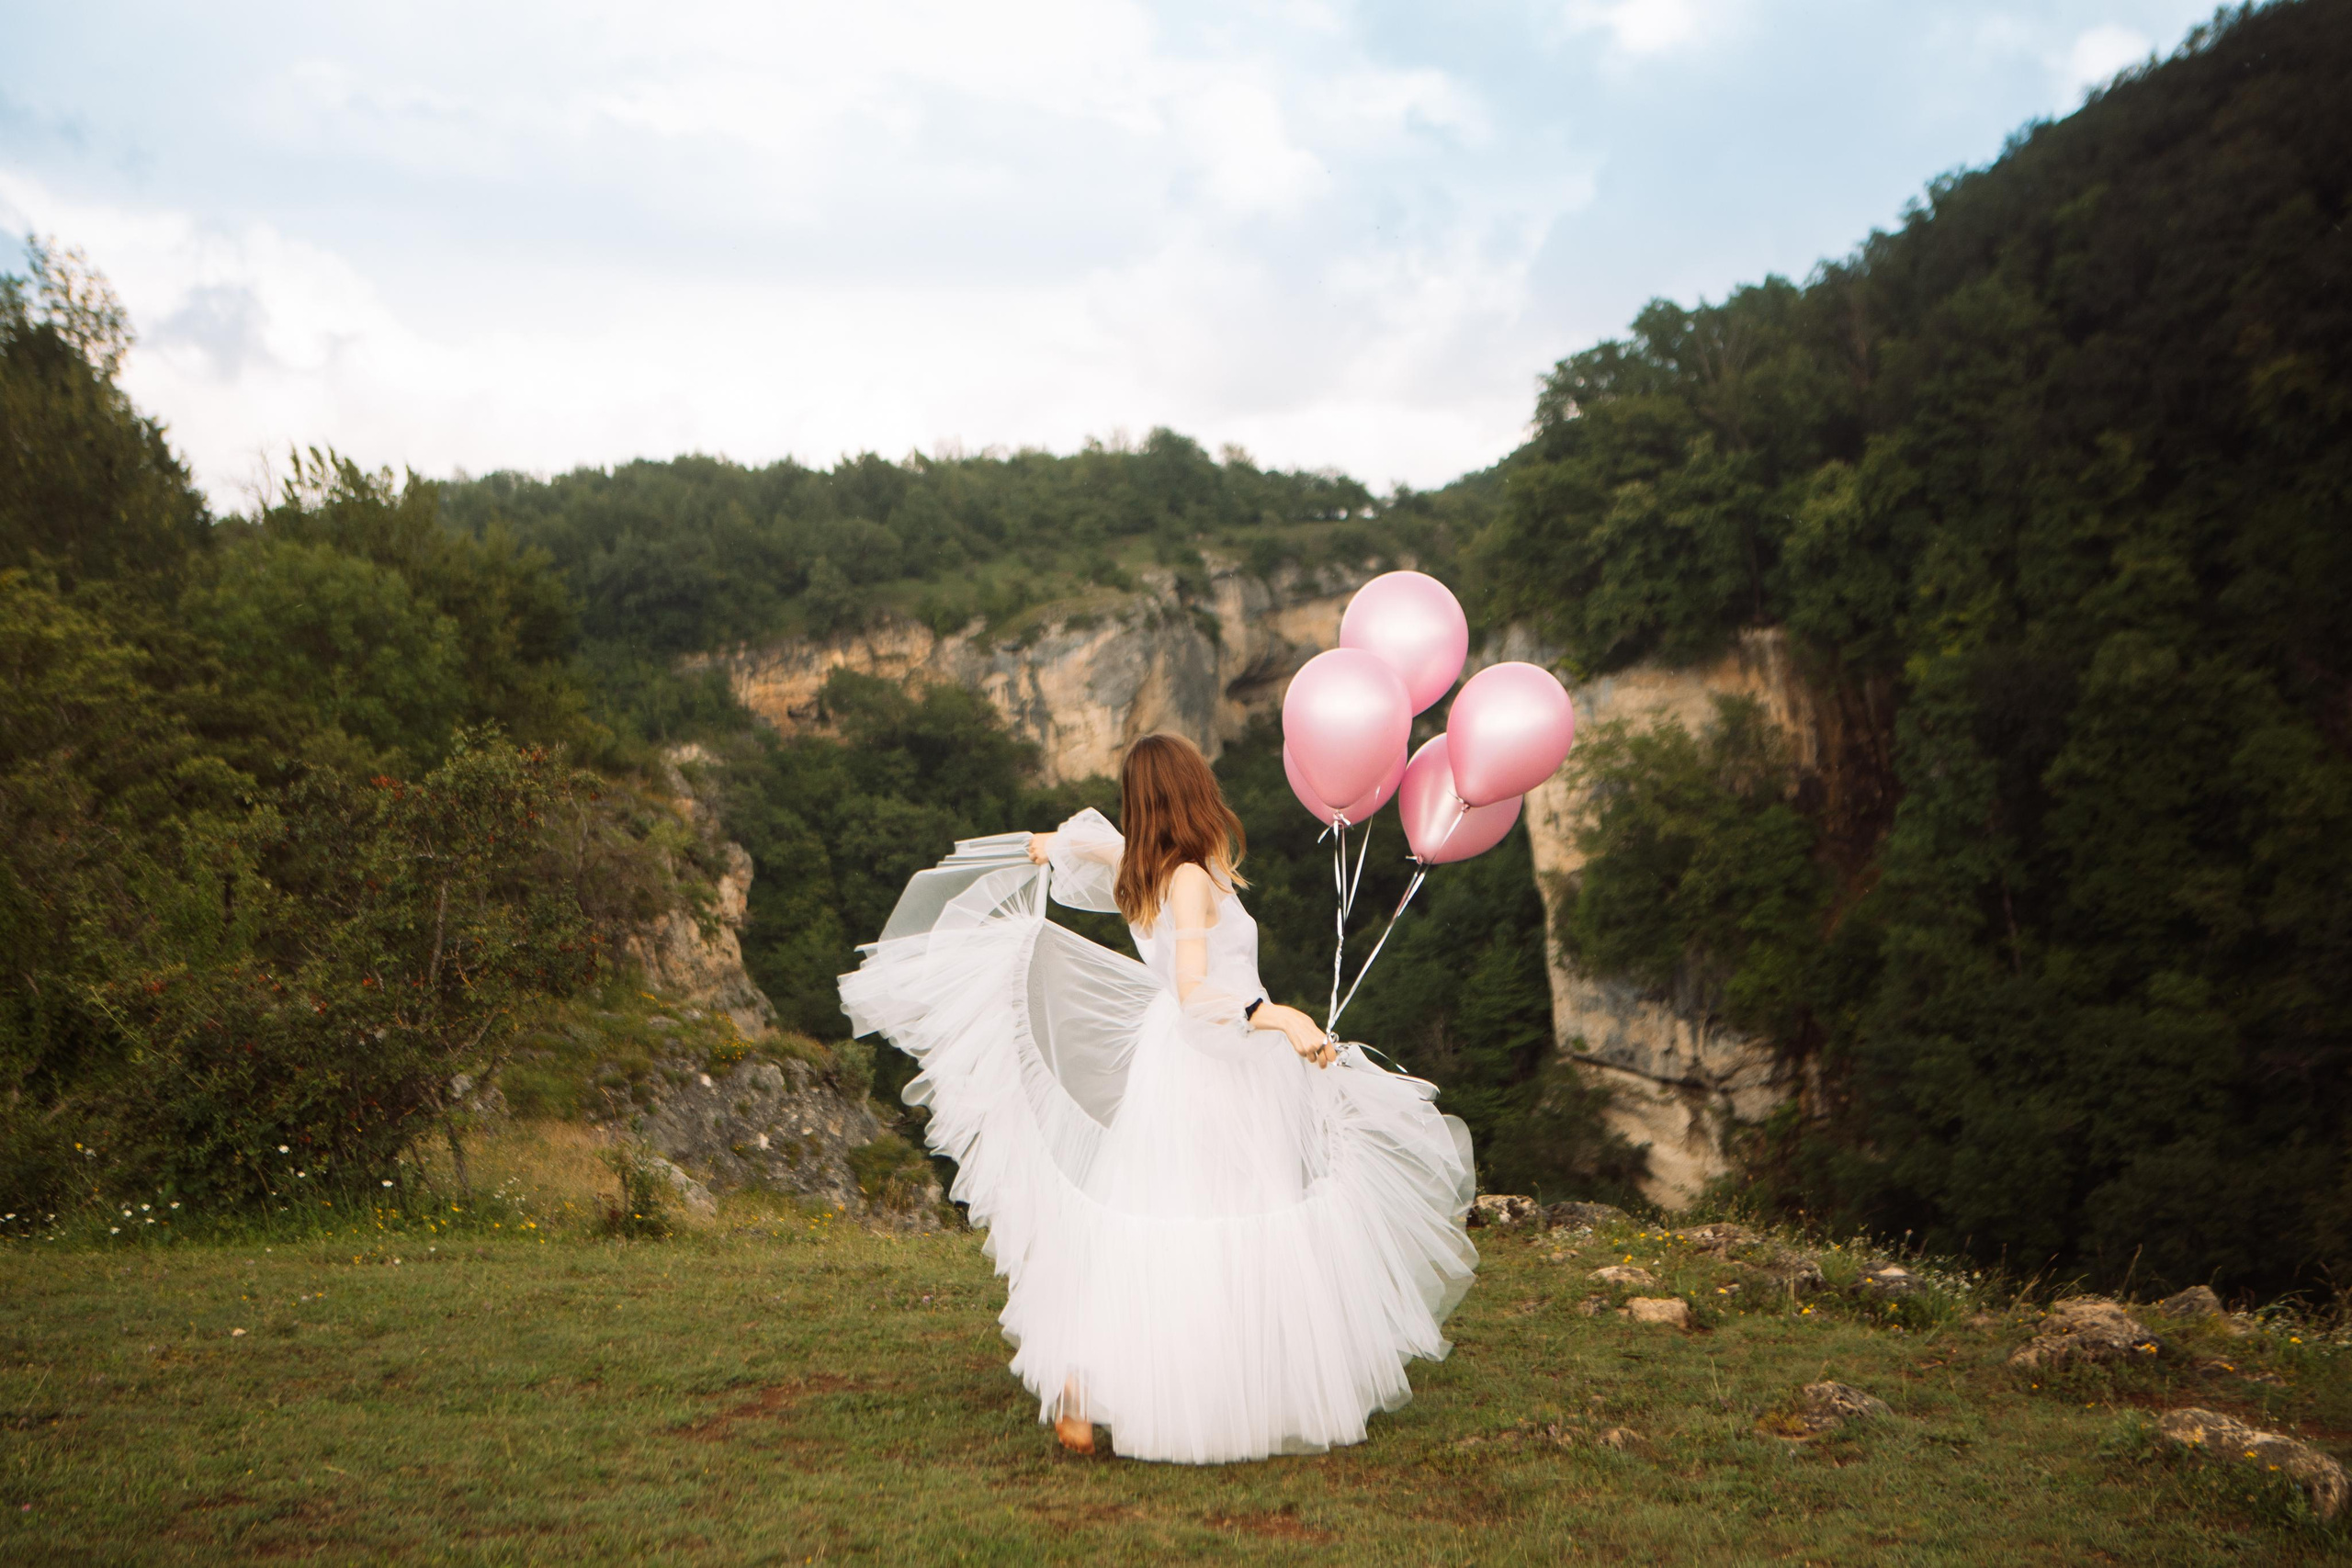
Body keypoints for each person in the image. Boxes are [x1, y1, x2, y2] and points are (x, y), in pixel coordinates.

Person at [839, 732, 1477, 1464]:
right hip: (1213, 1059)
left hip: (1192, 1061)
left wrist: (1054, 843)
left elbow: (1091, 846)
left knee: (1169, 1215)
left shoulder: (1144, 868)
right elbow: (1194, 991)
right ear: (1192, 792)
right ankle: (1131, 1385)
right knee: (1209, 1216)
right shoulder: (1186, 880)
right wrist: (1280, 1016)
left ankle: (1103, 1379)